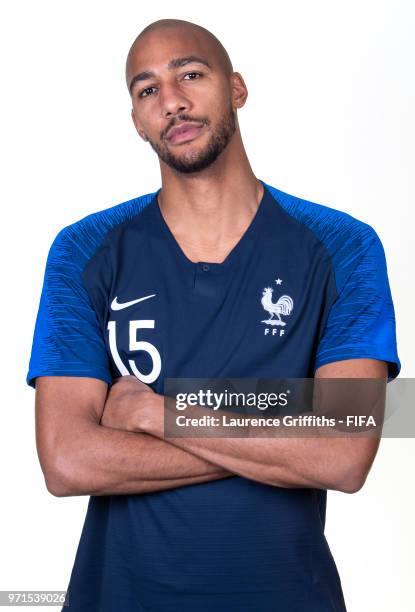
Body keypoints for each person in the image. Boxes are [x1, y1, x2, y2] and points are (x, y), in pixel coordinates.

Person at [26, 18, 400, 612]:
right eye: (147, 89)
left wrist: (157, 413)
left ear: (237, 89)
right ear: (136, 119)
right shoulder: (83, 249)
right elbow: (67, 461)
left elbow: (346, 454)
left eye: (190, 74)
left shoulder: (344, 246)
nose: (171, 101)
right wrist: (286, 429)